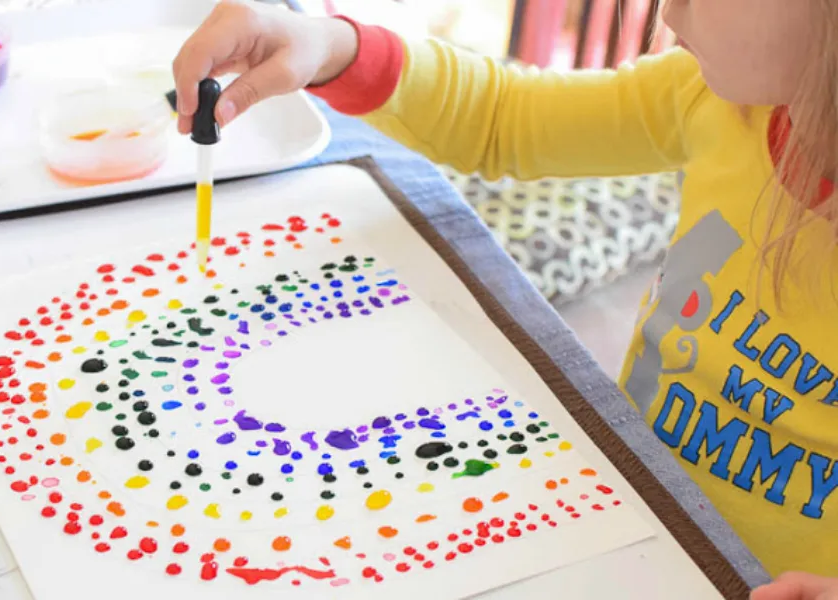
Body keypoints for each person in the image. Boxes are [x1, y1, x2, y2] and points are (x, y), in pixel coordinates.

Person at [172, 1, 838, 597]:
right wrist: (329, 46)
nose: (668, 9)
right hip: (624, 515)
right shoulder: (716, 99)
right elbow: (503, 117)